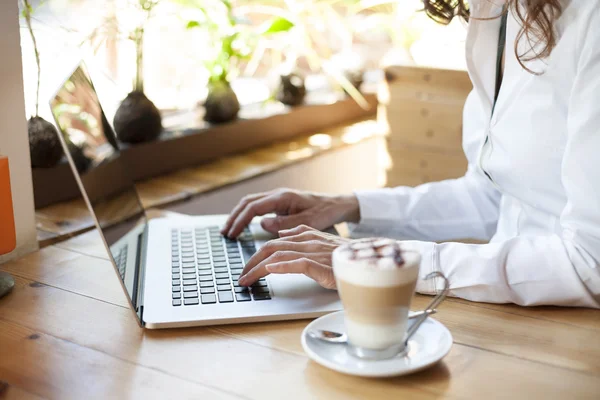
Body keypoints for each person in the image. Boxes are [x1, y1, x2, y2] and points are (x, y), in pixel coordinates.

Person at [223, 0, 600, 309]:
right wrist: (346, 206)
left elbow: (590, 263)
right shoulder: (498, 16)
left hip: (574, 332)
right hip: (514, 311)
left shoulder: (590, 21)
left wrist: (381, 260)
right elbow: (491, 197)